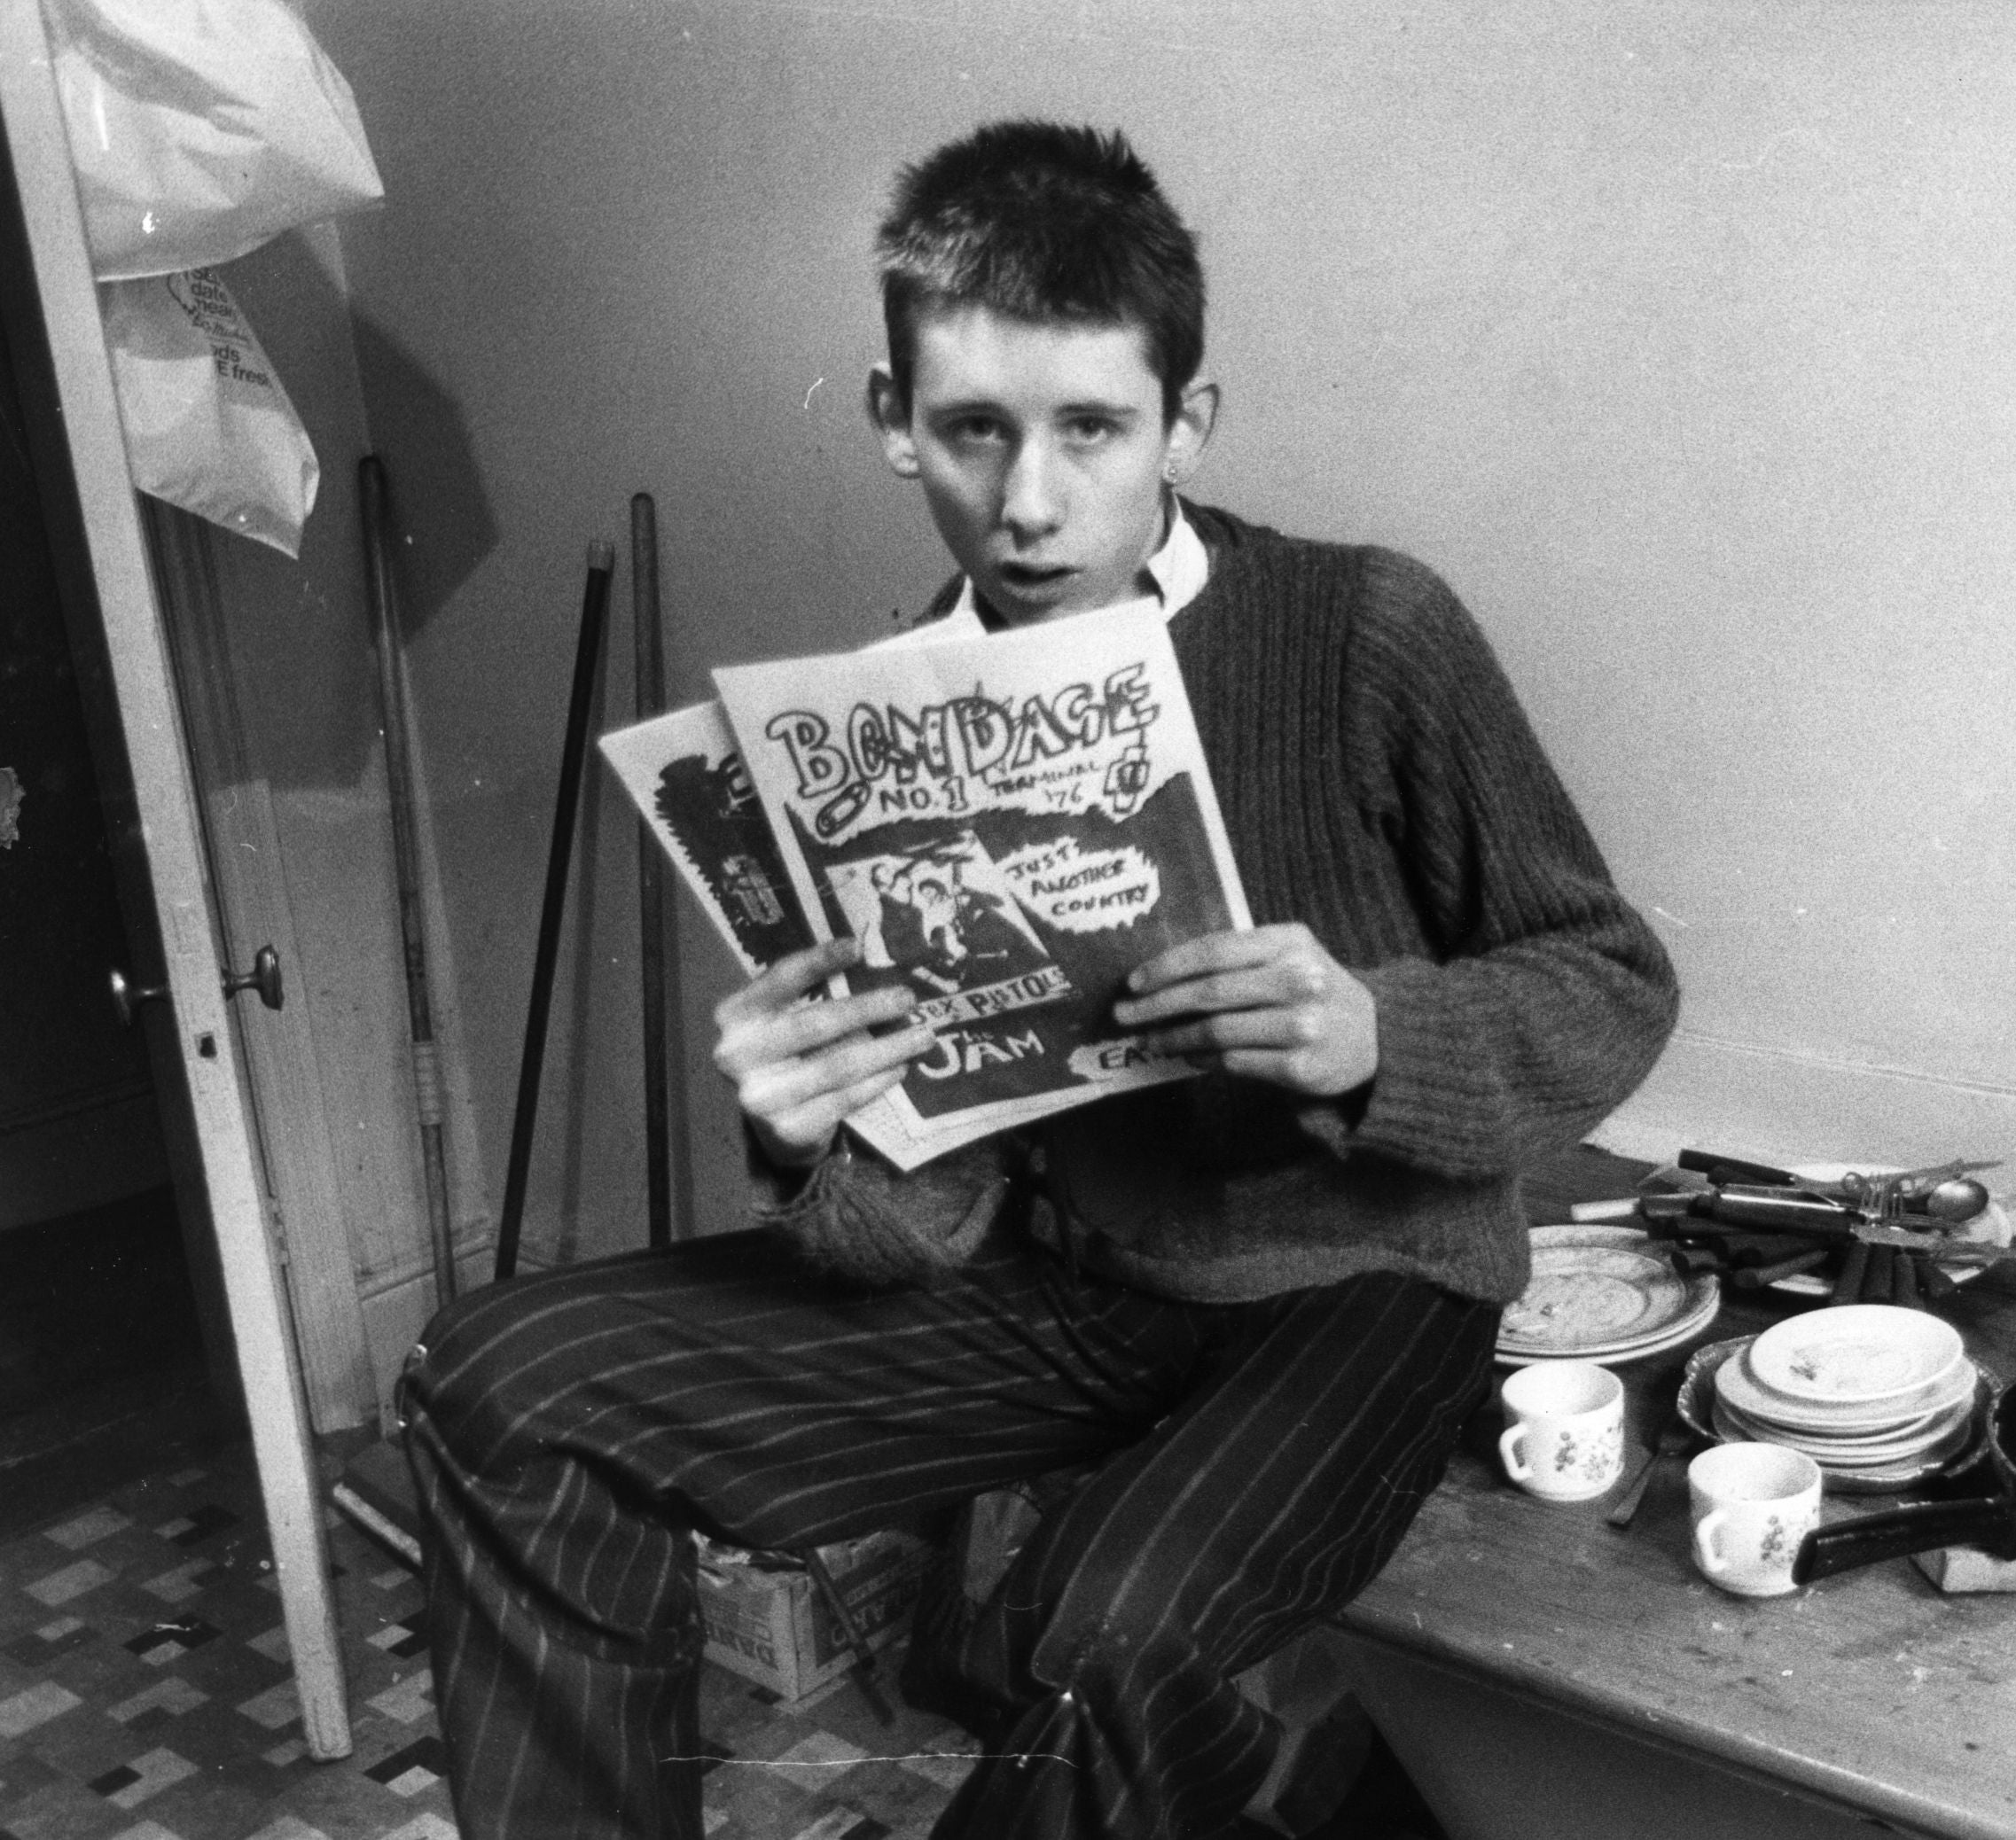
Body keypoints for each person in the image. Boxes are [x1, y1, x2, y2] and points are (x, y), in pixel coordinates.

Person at [402, 120, 1678, 1840]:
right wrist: (817, 1139)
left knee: (1094, 1643)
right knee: (500, 1381)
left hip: (1365, 1283)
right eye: (970, 431)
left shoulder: (1364, 628)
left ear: (1186, 421)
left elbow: (1608, 976)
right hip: (1064, 1290)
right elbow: (903, 1244)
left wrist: (1386, 1032)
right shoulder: (868, 727)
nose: (1027, 500)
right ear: (887, 418)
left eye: (1091, 429)